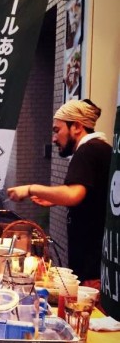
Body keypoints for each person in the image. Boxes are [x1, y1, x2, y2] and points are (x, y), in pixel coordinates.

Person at [7, 99, 111, 283]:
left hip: (93, 267)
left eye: (57, 130)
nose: (54, 138)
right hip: (100, 262)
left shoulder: (87, 150)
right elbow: (90, 195)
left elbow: (73, 195)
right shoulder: (101, 149)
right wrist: (54, 198)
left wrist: (30, 189)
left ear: (77, 127)